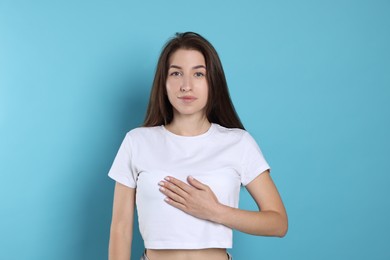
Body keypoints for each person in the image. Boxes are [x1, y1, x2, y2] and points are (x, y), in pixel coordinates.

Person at [108, 32, 288, 260]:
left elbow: (278, 223)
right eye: (176, 73)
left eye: (198, 74)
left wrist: (214, 211)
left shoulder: (238, 142)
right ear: (163, 82)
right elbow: (120, 228)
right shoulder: (137, 141)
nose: (186, 86)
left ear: (213, 81)